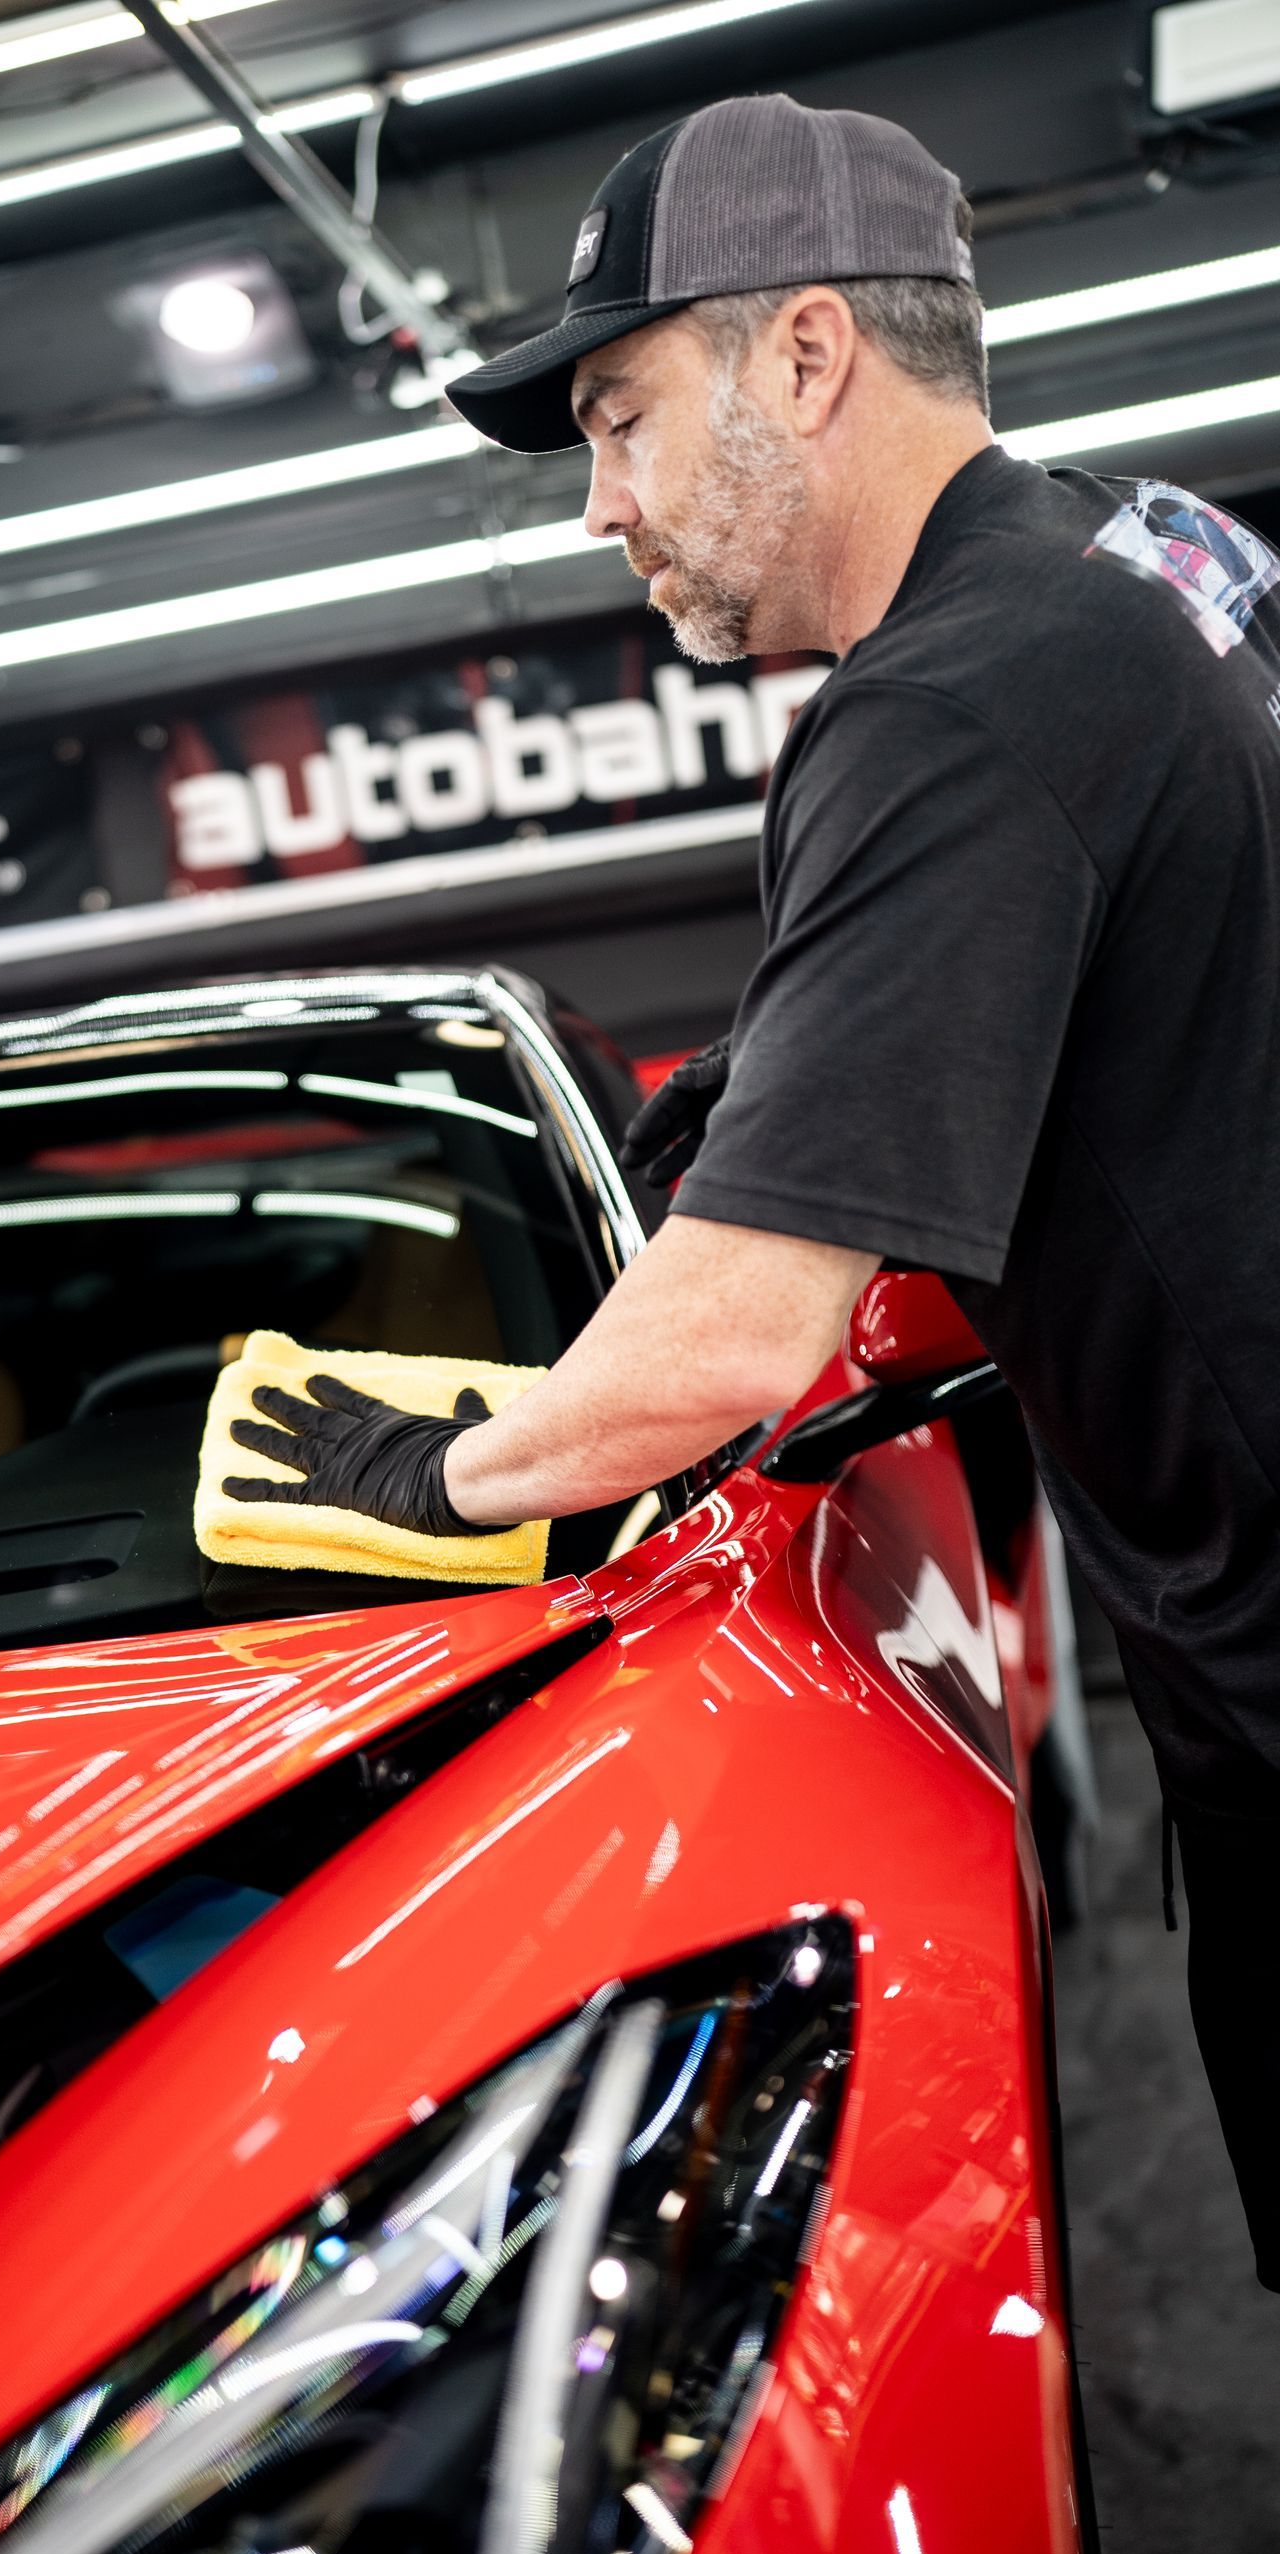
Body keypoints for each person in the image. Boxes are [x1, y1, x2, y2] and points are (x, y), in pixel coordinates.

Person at [224, 93, 1280, 2289]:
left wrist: (450, 1467)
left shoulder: (946, 710)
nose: (601, 509)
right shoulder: (1137, 560)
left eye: (618, 417)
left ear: (809, 354)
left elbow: (725, 1341)